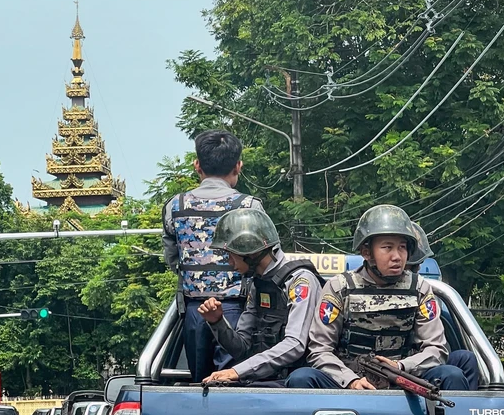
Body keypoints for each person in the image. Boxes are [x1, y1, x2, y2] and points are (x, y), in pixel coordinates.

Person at [287, 205, 467, 391]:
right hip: (348, 381)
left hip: (403, 380)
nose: (396, 256)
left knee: (452, 375)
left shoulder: (420, 287)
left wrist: (401, 367)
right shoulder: (340, 287)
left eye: (402, 247)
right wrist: (350, 381)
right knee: (301, 378)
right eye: (387, 247)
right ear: (367, 252)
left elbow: (436, 348)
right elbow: (320, 350)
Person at [161, 130, 264, 382]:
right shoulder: (250, 207)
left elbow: (172, 259)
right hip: (237, 312)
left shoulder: (175, 206)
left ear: (197, 165)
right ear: (238, 165)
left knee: (200, 386)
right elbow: (264, 261)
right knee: (232, 383)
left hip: (194, 311)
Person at [198, 210, 324, 385]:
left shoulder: (300, 282)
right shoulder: (258, 284)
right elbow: (242, 349)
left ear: (248, 252)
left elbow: (295, 344)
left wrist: (237, 372)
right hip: (267, 383)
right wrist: (216, 322)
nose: (229, 262)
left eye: (230, 254)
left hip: (298, 385)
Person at [407, 222, 479, 391]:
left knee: (465, 358)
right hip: (372, 369)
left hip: (416, 364)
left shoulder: (422, 292)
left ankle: (467, 411)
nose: (418, 268)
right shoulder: (348, 291)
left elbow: (436, 347)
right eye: (414, 265)